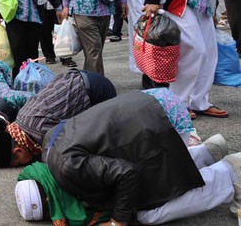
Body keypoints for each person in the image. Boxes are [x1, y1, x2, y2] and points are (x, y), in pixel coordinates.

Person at [15, 90, 241, 225]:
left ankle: (229, 174)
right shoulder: (48, 149)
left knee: (150, 211)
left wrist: (118, 220)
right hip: (150, 103)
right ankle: (208, 152)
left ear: (48, 199)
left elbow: (127, 173)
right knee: (155, 173)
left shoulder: (68, 168)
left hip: (159, 120)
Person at [0, 69, 116, 168]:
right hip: (80, 75)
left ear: (19, 151)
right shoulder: (21, 118)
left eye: (19, 164)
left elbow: (72, 148)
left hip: (98, 91)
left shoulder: (40, 133)